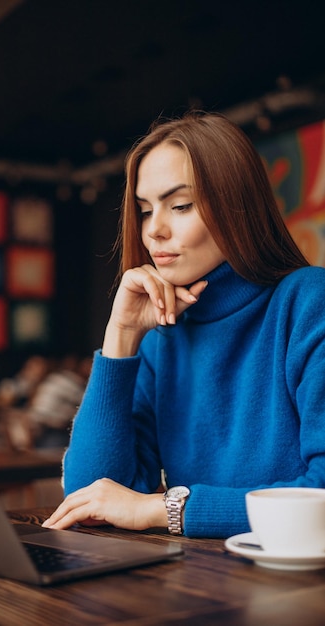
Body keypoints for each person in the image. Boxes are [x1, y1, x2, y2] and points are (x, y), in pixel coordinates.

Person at [43, 110, 325, 538]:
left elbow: (320, 496)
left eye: (180, 205)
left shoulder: (308, 301)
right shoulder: (163, 334)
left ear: (237, 207)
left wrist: (166, 509)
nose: (154, 230)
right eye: (143, 210)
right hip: (193, 587)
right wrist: (121, 337)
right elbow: (90, 498)